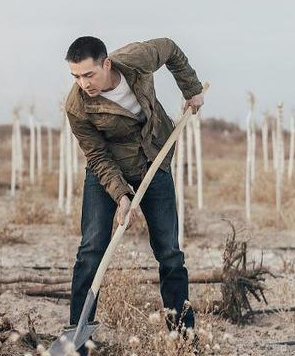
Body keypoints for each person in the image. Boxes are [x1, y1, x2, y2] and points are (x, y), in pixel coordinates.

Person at [64, 36, 204, 354]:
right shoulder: (77, 106)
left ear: (107, 64)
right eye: (76, 76)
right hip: (108, 171)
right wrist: (122, 197)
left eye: (89, 74)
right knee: (90, 251)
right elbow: (97, 157)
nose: (83, 83)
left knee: (169, 252)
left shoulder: (137, 59)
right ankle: (78, 339)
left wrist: (191, 89)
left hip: (155, 159)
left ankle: (182, 337)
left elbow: (170, 48)